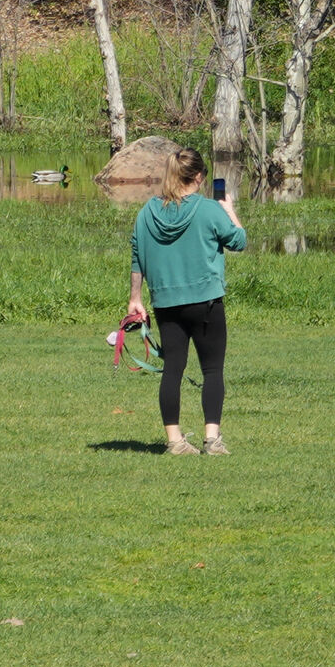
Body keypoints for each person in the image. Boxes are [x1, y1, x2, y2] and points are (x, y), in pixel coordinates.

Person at [122, 145, 248, 455]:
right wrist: (229, 209)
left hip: (166, 304)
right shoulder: (208, 209)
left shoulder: (147, 212)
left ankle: (175, 441)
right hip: (206, 302)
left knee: (173, 370)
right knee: (212, 370)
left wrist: (135, 298)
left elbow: (137, 254)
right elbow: (239, 241)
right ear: (200, 177)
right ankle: (212, 440)